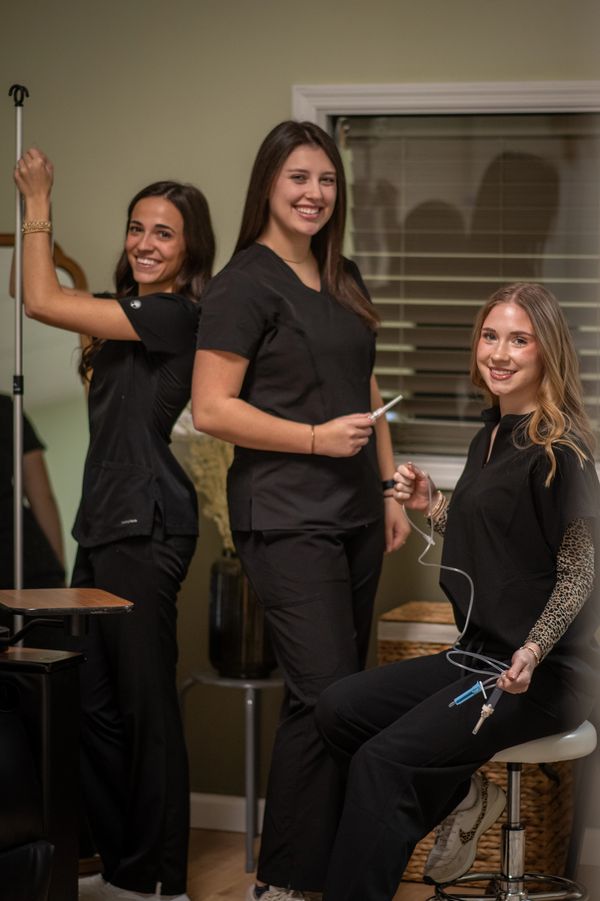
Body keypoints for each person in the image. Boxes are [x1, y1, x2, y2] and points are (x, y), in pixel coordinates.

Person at [315, 282, 600, 901]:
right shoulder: (489, 435)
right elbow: (499, 540)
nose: (499, 353)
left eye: (519, 340)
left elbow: (581, 571)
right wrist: (433, 504)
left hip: (541, 674)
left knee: (383, 764)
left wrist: (533, 649)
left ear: (548, 351)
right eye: (490, 336)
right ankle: (467, 794)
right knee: (339, 708)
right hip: (477, 655)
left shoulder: (564, 451)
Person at [192, 120, 410, 901]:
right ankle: (290, 882)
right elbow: (211, 408)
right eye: (299, 178)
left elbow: (366, 386)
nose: (315, 193)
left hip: (355, 513)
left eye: (326, 179)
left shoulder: (342, 273)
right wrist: (315, 438)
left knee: (331, 696)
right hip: (285, 515)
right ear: (268, 185)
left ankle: (305, 876)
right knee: (329, 693)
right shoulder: (242, 284)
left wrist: (387, 486)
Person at [13, 147, 215, 901]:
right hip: (101, 526)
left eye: (164, 232)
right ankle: (122, 867)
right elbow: (27, 286)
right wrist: (32, 224)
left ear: (190, 249)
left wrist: (40, 203)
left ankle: (162, 880)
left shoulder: (173, 315)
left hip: (148, 525)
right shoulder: (119, 312)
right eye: (137, 227)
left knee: (143, 706)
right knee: (92, 707)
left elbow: (40, 301)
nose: (146, 243)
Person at [0, 392, 65, 591]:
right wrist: (60, 573)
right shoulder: (5, 408)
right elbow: (41, 496)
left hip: (22, 561)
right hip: (25, 561)